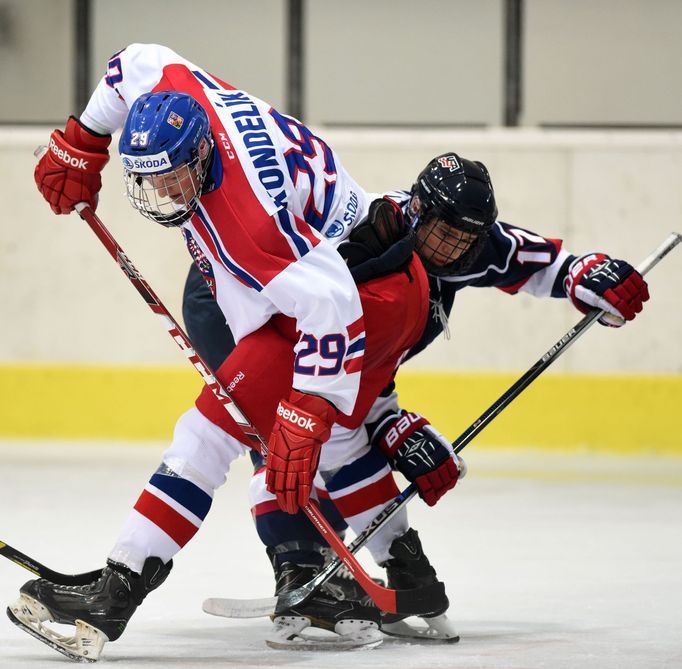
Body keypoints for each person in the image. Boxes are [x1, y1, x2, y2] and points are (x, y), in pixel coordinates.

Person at [10, 43, 465, 660]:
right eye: (150, 178)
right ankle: (412, 577)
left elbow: (328, 304)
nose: (165, 192)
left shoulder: (248, 225)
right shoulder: (176, 94)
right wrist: (84, 139)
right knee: (341, 440)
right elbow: (134, 60)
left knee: (209, 433)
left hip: (361, 298)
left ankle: (116, 594)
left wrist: (306, 405)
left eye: (175, 175)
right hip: (387, 277)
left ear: (201, 155)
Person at [182, 150, 650, 640]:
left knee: (338, 440)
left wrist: (586, 276)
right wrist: (387, 425)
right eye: (443, 233)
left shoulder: (465, 241)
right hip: (235, 300)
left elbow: (533, 261)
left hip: (331, 341)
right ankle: (299, 568)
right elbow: (330, 351)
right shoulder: (366, 244)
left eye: (464, 237)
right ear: (416, 211)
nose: (451, 249)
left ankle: (335, 559)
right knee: (284, 438)